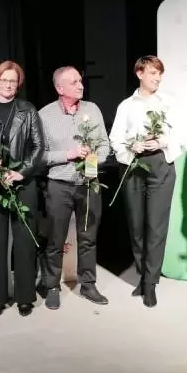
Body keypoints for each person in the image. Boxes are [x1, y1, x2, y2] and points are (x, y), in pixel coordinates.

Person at [109, 55, 181, 308]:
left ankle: (150, 283)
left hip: (160, 164)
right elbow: (115, 138)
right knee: (137, 226)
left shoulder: (168, 102)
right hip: (133, 166)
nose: (157, 78)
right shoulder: (126, 106)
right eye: (152, 73)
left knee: (156, 227)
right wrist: (132, 146)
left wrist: (162, 141)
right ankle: (143, 274)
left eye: (160, 73)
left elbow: (180, 134)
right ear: (139, 73)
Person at [0, 61, 44, 317]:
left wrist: (21, 172)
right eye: (3, 80)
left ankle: (25, 296)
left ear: (18, 84)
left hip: (23, 183)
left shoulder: (28, 110)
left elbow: (39, 147)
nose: (8, 84)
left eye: (13, 81)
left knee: (25, 242)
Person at [38, 66, 110, 310]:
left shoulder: (92, 109)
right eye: (74, 82)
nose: (81, 85)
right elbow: (39, 156)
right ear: (60, 88)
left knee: (88, 237)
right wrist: (67, 154)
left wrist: (94, 159)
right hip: (59, 185)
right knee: (55, 239)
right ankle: (52, 286)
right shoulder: (45, 115)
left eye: (80, 80)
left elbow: (104, 144)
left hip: (89, 183)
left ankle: (88, 284)